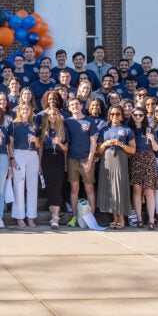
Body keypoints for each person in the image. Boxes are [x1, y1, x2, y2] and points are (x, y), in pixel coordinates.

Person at [97, 105, 135, 229]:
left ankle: (122, 218)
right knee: (109, 188)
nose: (115, 116)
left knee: (120, 187)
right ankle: (114, 217)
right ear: (109, 115)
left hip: (120, 159)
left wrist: (121, 144)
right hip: (107, 160)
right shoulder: (104, 130)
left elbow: (133, 150)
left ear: (122, 115)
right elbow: (98, 150)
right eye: (112, 114)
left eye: (117, 114)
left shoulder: (127, 129)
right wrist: (105, 144)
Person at [64, 97, 97, 227]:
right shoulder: (67, 122)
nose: (74, 106)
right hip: (72, 158)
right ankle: (75, 216)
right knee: (74, 188)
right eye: (72, 105)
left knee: (89, 188)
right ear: (69, 107)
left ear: (81, 106)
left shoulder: (89, 121)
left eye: (77, 104)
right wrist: (66, 163)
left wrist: (89, 160)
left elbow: (93, 142)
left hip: (86, 159)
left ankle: (91, 218)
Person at [128, 107, 158, 229]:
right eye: (135, 115)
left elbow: (156, 149)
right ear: (132, 116)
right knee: (137, 190)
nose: (138, 117)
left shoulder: (150, 130)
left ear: (144, 116)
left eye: (141, 115)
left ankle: (151, 220)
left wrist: (152, 140)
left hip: (149, 160)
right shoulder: (129, 130)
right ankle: (139, 219)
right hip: (135, 160)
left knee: (149, 191)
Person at [9, 103, 41, 228]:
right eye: (23, 109)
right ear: (19, 111)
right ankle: (19, 217)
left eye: (28, 109)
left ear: (31, 111)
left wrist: (36, 141)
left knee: (32, 187)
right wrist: (12, 158)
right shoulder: (13, 125)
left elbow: (39, 146)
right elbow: (10, 145)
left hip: (32, 155)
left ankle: (31, 217)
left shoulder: (34, 125)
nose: (25, 111)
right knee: (19, 186)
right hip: (19, 154)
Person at [39, 106, 69, 229]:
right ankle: (54, 214)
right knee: (50, 187)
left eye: (54, 114)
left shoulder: (63, 130)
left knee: (57, 186)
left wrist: (60, 144)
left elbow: (66, 149)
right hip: (47, 158)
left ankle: (55, 216)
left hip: (59, 159)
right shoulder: (43, 130)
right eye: (50, 114)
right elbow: (40, 148)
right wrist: (39, 164)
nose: (52, 116)